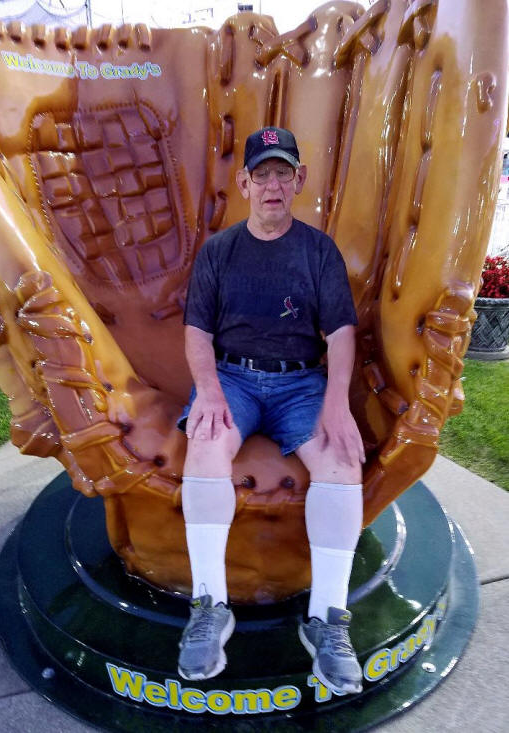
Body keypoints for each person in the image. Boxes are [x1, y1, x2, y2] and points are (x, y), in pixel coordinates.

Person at [176, 126, 365, 695]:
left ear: (299, 179)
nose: (273, 185)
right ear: (245, 183)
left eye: (283, 172)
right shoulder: (219, 251)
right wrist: (209, 390)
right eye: (262, 174)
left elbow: (341, 333)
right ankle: (210, 607)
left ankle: (326, 619)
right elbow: (196, 332)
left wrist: (337, 404)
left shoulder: (318, 250)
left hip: (300, 382)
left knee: (341, 461)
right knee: (205, 447)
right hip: (232, 378)